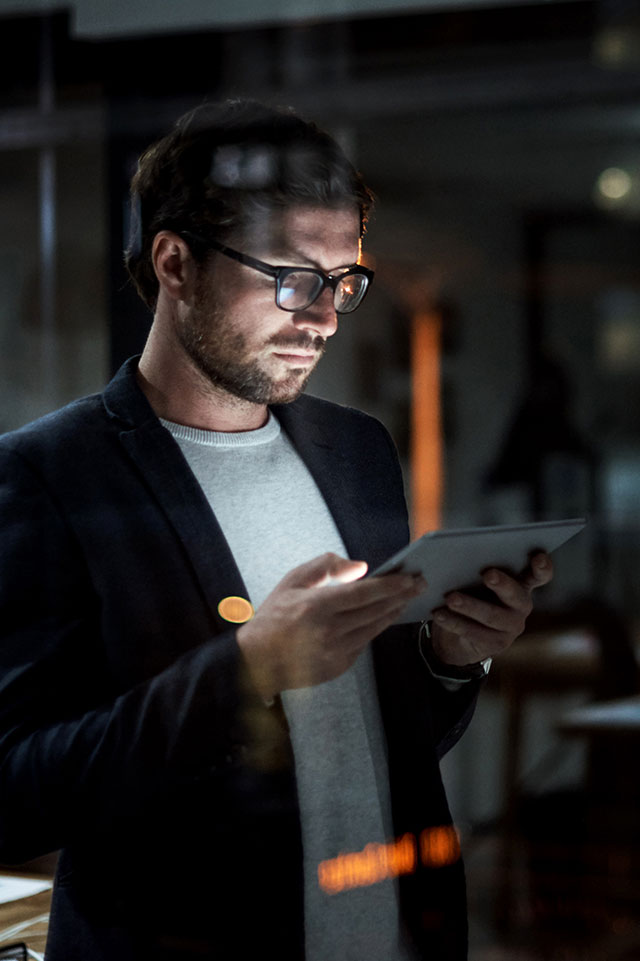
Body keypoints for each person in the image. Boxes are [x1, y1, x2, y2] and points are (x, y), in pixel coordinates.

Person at [0, 99, 552, 961]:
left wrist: (450, 658)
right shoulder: (47, 475)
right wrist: (250, 666)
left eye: (343, 282)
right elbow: (20, 795)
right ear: (175, 261)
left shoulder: (358, 450)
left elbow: (384, 743)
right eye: (293, 278)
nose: (325, 317)